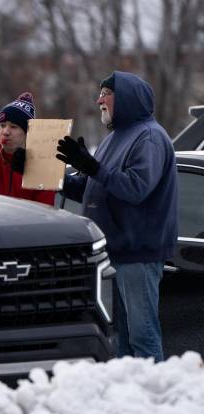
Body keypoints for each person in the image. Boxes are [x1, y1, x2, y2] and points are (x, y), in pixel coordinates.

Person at [56, 71, 178, 362]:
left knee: (142, 335)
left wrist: (92, 166)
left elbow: (136, 188)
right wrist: (52, 177)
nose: (99, 100)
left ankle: (154, 400)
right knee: (119, 339)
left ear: (126, 98)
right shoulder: (114, 139)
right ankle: (128, 399)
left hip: (138, 253)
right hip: (113, 253)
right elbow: (93, 189)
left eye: (106, 94)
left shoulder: (149, 137)